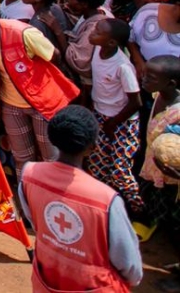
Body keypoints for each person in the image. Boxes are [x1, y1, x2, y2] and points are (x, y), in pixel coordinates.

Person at [20, 105, 143, 292]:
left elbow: (34, 220)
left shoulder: (29, 174)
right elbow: (130, 267)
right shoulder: (106, 199)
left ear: (52, 139)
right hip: (93, 286)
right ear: (92, 148)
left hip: (46, 280)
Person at [0, 12, 77, 178]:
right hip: (10, 105)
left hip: (42, 104)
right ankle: (26, 192)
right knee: (22, 157)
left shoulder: (22, 33)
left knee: (51, 157)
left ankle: (52, 196)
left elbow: (54, 56)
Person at [87, 19, 144, 217]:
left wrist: (113, 122)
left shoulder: (123, 66)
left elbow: (136, 102)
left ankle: (138, 210)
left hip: (122, 121)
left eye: (98, 31)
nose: (92, 32)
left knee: (120, 170)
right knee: (97, 166)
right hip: (101, 117)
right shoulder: (97, 51)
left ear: (111, 42)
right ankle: (106, 207)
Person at [139, 55, 180, 293]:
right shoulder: (157, 98)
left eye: (151, 77)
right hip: (157, 179)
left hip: (175, 187)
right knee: (168, 226)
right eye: (145, 74)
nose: (144, 79)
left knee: (177, 229)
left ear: (171, 83)